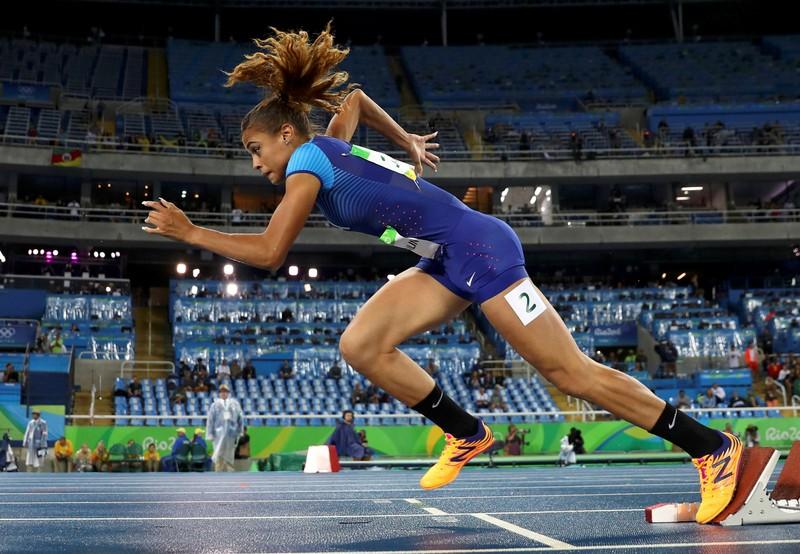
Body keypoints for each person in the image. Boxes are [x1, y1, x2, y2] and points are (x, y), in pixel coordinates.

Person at [140, 24, 741, 524]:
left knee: (570, 373)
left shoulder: (304, 162)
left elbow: (272, 252)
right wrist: (406, 142)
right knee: (361, 344)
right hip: (445, 260)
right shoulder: (326, 146)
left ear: (286, 135)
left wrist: (191, 233)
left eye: (254, 147)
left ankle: (714, 448)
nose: (255, 162)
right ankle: (465, 431)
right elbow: (354, 101)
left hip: (479, 251)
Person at [205, 383, 243, 472]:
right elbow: (210, 420)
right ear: (219, 393)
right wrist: (210, 434)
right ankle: (218, 473)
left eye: (225, 392)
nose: (223, 393)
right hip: (218, 434)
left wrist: (240, 431)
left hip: (231, 433)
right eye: (222, 392)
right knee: (219, 454)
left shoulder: (235, 404)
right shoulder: (214, 405)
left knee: (230, 454)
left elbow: (240, 418)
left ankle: (230, 474)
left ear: (228, 393)